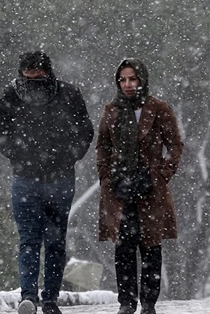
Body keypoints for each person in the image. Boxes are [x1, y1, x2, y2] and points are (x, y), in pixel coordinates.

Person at [0, 51, 94, 314]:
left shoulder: (68, 95)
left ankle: (46, 298)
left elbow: (84, 131)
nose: (33, 83)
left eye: (38, 77)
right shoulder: (13, 96)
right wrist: (22, 154)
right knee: (35, 240)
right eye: (29, 78)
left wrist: (65, 157)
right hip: (29, 178)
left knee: (48, 242)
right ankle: (33, 297)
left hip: (54, 178)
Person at [96, 58, 183, 314]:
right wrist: (107, 178)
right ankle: (126, 302)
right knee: (123, 247)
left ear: (141, 79)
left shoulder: (158, 108)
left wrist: (159, 175)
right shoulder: (111, 110)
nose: (127, 84)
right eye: (122, 79)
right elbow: (102, 147)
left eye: (132, 79)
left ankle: (148, 303)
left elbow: (175, 146)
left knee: (150, 246)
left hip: (150, 190)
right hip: (119, 189)